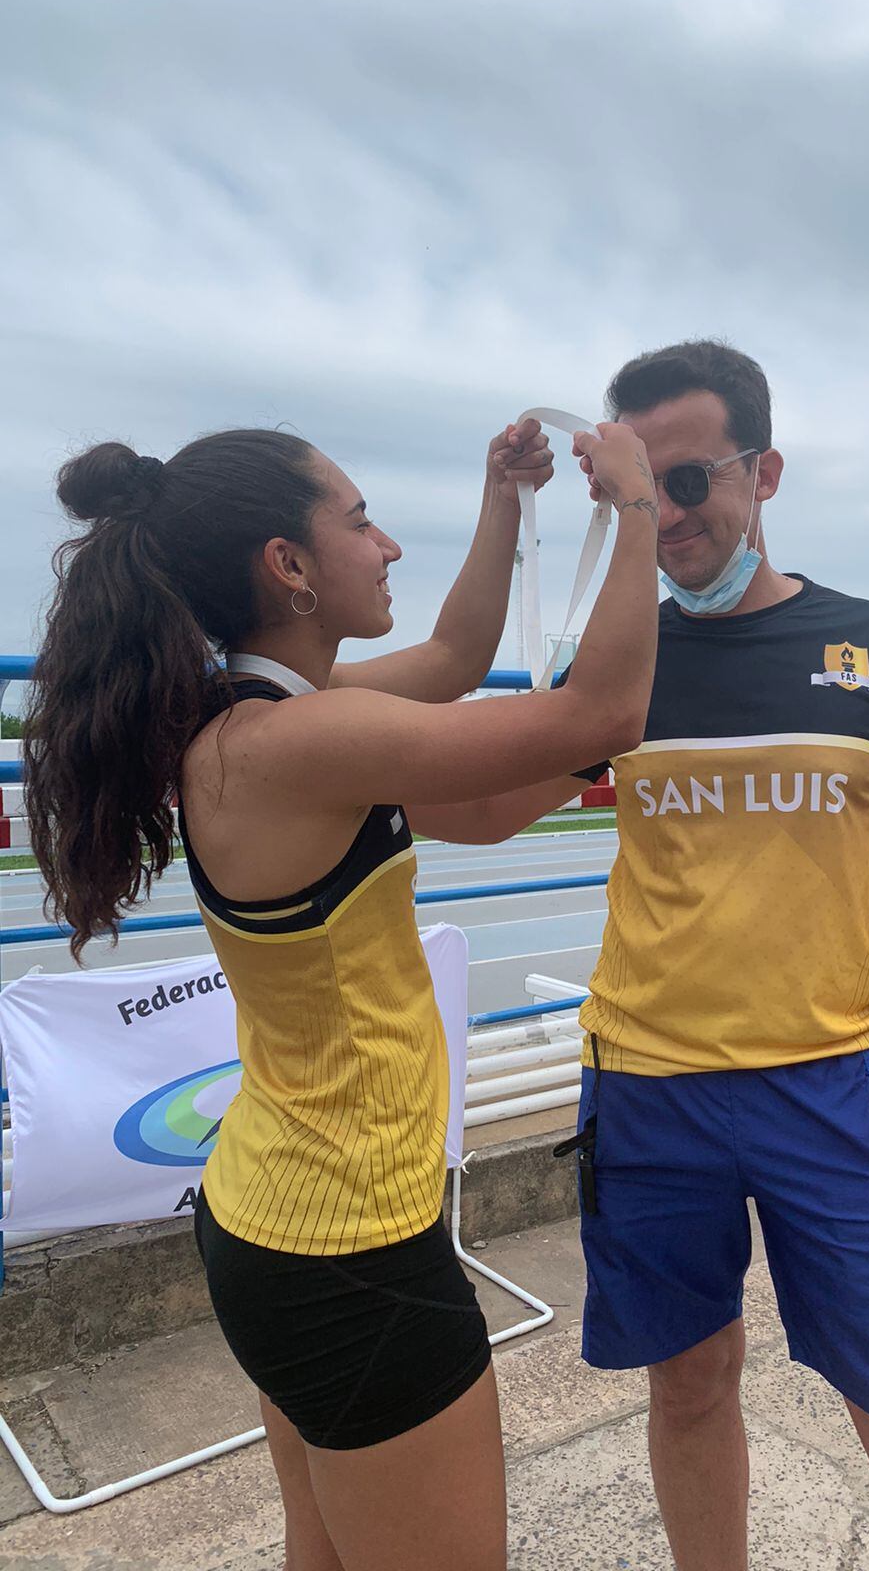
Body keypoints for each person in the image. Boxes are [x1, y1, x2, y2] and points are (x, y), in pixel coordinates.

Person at [424, 341, 869, 1571]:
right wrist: (289, 743)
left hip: (833, 1088)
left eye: (687, 480)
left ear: (765, 472)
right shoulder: (622, 671)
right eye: (634, 486)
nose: (669, 515)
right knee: (691, 1388)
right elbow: (477, 806)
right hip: (649, 1093)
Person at [24, 418, 661, 1571]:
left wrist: (503, 496)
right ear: (289, 564)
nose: (389, 548)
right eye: (361, 520)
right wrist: (637, 513)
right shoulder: (295, 742)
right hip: (348, 1251)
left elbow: (464, 682)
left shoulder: (257, 724)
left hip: (283, 1221)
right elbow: (603, 709)